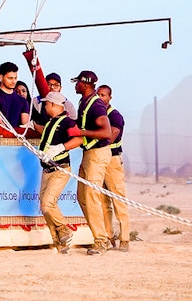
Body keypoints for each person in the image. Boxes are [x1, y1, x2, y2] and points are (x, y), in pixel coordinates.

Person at [67, 70, 113, 255]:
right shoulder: (83, 102)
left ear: (85, 85)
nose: (75, 85)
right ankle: (100, 235)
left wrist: (81, 133)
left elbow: (106, 132)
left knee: (92, 198)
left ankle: (101, 241)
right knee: (83, 197)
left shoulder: (96, 106)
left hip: (98, 154)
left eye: (77, 82)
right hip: (89, 153)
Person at [35, 91, 82, 254]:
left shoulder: (68, 122)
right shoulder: (50, 123)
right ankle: (59, 242)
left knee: (48, 203)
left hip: (59, 169)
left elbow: (79, 139)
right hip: (46, 169)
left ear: (54, 105)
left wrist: (61, 147)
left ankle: (64, 229)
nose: (45, 106)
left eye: (47, 104)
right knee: (44, 206)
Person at [98, 84, 130, 253]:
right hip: (98, 159)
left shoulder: (115, 116)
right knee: (103, 201)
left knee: (118, 199)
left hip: (112, 159)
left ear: (110, 98)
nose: (101, 98)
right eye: (98, 94)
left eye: (104, 95)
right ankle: (109, 236)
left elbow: (110, 137)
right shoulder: (98, 114)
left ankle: (124, 238)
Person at [0, 62, 30, 129]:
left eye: (15, 78)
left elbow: (25, 124)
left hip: (15, 138)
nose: (14, 81)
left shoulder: (22, 101)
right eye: (10, 78)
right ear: (1, 77)